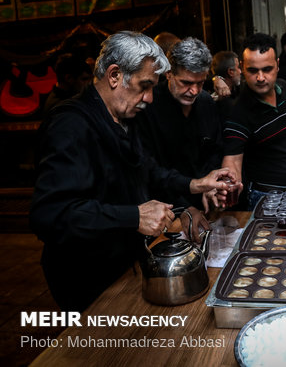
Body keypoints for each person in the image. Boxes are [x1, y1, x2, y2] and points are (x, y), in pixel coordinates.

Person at [30, 31, 236, 312]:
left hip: (123, 263)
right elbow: (50, 215)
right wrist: (133, 216)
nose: (150, 98)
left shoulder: (123, 117)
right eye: (145, 85)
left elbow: (148, 171)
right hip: (84, 276)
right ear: (114, 75)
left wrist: (195, 184)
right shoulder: (71, 126)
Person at [135, 37, 223, 236]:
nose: (194, 91)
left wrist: (210, 186)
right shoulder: (147, 106)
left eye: (200, 83)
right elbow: (150, 169)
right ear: (168, 74)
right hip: (164, 211)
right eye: (186, 83)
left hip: (206, 206)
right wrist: (183, 207)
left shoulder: (206, 102)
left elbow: (215, 149)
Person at [222, 33, 286, 210]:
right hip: (270, 201)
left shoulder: (284, 88)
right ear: (242, 68)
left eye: (266, 69)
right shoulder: (239, 112)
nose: (260, 77)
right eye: (253, 71)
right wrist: (230, 185)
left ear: (277, 66)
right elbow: (232, 161)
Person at [209, 50, 242, 123]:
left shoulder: (236, 91)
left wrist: (215, 78)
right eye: (238, 67)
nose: (240, 71)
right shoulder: (224, 105)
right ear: (231, 72)